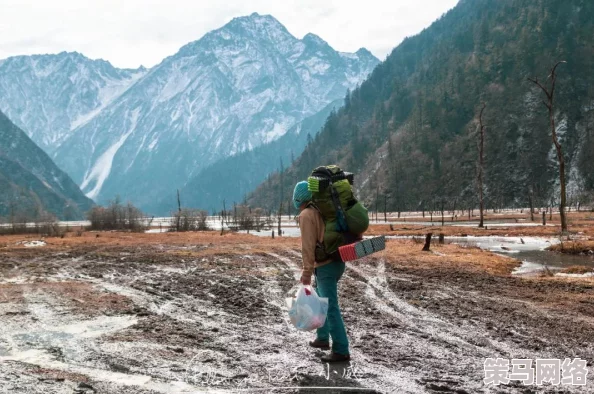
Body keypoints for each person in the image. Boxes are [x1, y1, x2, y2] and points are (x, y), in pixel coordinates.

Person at [293, 180, 350, 363]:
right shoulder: (322, 210)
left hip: (325, 265)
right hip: (337, 261)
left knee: (331, 307)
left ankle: (341, 349)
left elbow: (308, 247)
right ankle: (323, 338)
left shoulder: (307, 214)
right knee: (322, 300)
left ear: (299, 198)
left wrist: (306, 272)